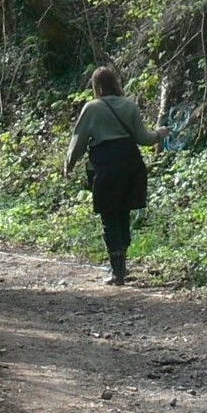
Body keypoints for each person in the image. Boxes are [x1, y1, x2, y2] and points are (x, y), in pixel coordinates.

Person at [63, 66, 168, 285]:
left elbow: (78, 141)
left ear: (97, 86)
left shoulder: (92, 108)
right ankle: (122, 266)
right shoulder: (129, 105)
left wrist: (68, 164)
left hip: (106, 166)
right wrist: (159, 134)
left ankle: (117, 271)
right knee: (124, 213)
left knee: (109, 216)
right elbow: (143, 138)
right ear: (116, 83)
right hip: (131, 164)